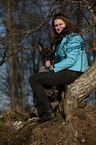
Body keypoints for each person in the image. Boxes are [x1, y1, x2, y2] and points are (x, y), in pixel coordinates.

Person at [29, 12, 89, 124]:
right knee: (38, 77)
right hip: (67, 71)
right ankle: (47, 110)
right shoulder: (62, 40)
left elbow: (71, 60)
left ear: (67, 23)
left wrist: (53, 68)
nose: (58, 27)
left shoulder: (74, 38)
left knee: (33, 79)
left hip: (75, 72)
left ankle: (49, 114)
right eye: (56, 25)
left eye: (60, 24)